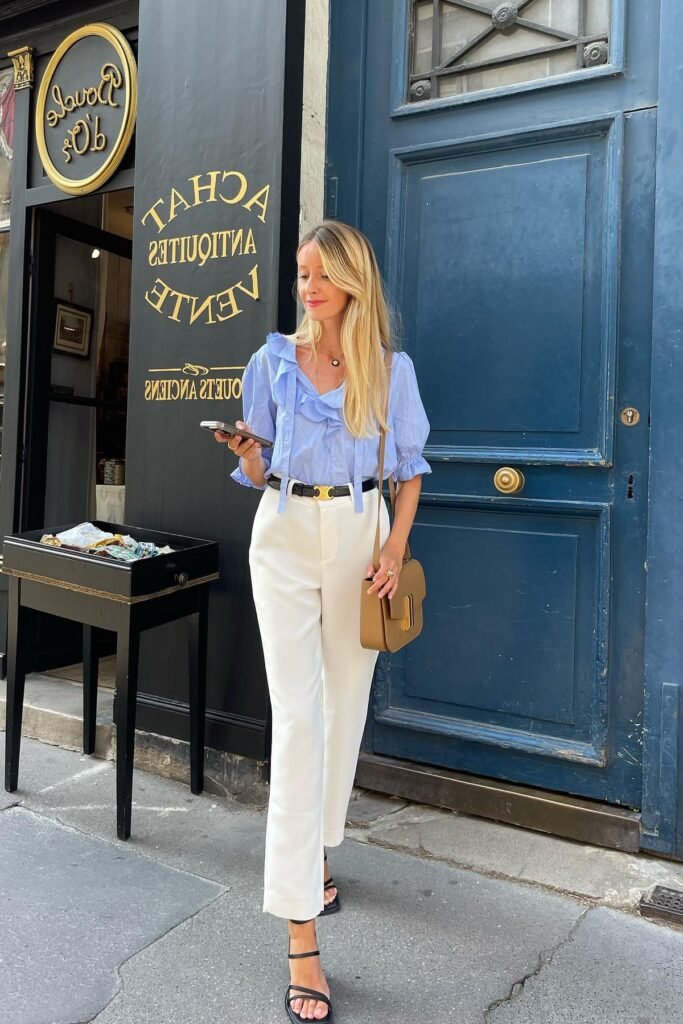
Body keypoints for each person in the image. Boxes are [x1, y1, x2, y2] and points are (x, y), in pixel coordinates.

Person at [217, 220, 430, 1022]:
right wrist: (246, 457)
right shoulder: (271, 362)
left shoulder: (388, 370)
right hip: (282, 534)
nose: (306, 289)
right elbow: (260, 466)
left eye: (320, 276)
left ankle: (315, 854)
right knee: (300, 722)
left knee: (342, 715)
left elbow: (407, 471)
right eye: (300, 274)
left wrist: (393, 545)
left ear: (352, 283)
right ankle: (300, 928)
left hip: (359, 537)